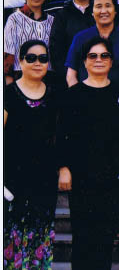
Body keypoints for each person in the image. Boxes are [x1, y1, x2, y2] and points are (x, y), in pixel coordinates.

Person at [56, 37, 119, 270]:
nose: (98, 60)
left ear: (111, 61)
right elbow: (62, 133)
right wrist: (63, 167)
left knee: (105, 237)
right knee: (82, 236)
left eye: (104, 55)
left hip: (112, 176)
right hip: (81, 175)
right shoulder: (72, 94)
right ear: (84, 62)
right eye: (92, 56)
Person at [3, 40, 58, 269]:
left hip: (44, 181)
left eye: (43, 59)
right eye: (31, 58)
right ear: (20, 61)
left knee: (39, 243)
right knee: (11, 243)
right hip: (12, 181)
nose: (37, 63)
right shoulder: (7, 94)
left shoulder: (54, 95)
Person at [65, 0, 119, 88]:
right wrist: (78, 94)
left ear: (115, 11)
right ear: (92, 12)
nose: (103, 11)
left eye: (108, 6)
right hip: (85, 95)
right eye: (98, 6)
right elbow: (71, 75)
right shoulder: (80, 38)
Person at [3, 0, 54, 80]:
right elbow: (8, 53)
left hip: (47, 78)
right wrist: (9, 82)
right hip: (20, 77)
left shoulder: (52, 21)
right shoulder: (14, 19)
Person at [48, 0, 94, 75]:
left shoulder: (99, 11)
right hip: (70, 74)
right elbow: (56, 49)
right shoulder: (62, 15)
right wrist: (68, 74)